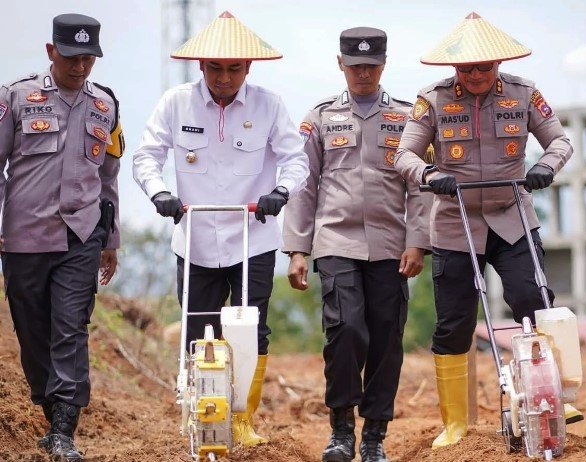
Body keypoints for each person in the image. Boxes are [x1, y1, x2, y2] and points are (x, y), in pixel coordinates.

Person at [392, 12, 578, 449]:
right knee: (454, 323)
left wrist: (545, 168)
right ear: (453, 69)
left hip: (511, 216)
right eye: (465, 68)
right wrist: (428, 174)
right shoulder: (431, 99)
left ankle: (554, 397)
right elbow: (403, 155)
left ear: (497, 64)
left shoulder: (524, 93)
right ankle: (455, 423)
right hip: (455, 223)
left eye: (483, 67)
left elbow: (561, 141)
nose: (475, 75)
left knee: (534, 302)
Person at [132, 11, 309, 446]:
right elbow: (145, 156)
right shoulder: (176, 102)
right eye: (215, 68)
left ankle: (243, 417)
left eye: (233, 68)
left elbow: (296, 159)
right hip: (193, 236)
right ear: (201, 66)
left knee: (249, 328)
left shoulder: (270, 105)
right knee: (198, 329)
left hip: (253, 234)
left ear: (249, 67)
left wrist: (281, 193)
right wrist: (159, 194)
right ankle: (200, 407)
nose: (224, 78)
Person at [282, 27, 430, 462]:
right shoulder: (321, 117)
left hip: (391, 244)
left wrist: (418, 241)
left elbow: (419, 187)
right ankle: (341, 430)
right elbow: (303, 186)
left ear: (383, 65)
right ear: (340, 64)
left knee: (386, 338)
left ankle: (374, 438)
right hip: (335, 241)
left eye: (371, 66)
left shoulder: (406, 118)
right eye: (355, 66)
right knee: (346, 329)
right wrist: (297, 249)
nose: (362, 73)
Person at [0, 13, 123, 461]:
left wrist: (110, 239)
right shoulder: (16, 97)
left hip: (81, 235)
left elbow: (109, 178)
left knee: (71, 327)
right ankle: (48, 405)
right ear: (52, 52)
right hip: (23, 236)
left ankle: (64, 427)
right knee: (32, 330)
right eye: (72, 57)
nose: (81, 67)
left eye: (90, 58)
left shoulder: (106, 105)